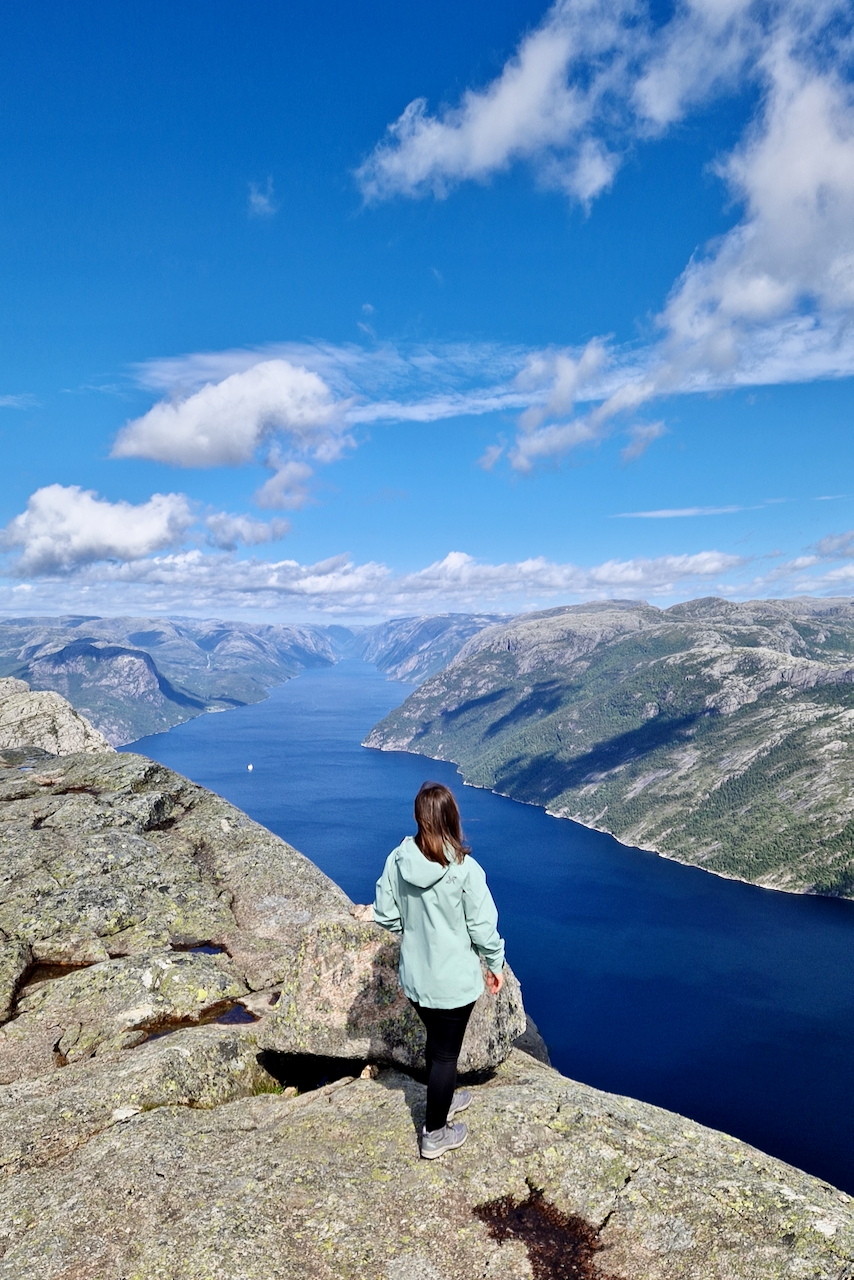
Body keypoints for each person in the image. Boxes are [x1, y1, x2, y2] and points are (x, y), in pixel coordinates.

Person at [373, 780, 506, 1159]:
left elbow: (385, 914)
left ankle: (441, 1101)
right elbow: (483, 928)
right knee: (446, 1056)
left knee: (438, 1045)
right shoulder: (464, 870)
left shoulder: (398, 860)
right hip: (454, 983)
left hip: (417, 979)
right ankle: (434, 1133)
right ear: (452, 818)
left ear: (418, 817)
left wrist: (411, 932)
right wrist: (495, 964)